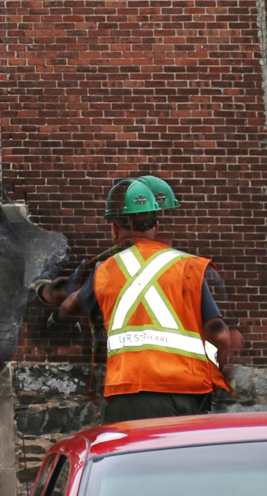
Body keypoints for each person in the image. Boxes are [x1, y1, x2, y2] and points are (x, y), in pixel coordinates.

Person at [48, 177, 238, 423]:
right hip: (187, 394)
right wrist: (215, 377)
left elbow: (71, 306)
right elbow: (221, 337)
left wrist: (55, 316)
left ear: (114, 229)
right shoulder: (189, 267)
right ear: (155, 227)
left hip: (126, 394)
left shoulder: (105, 270)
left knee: (129, 460)